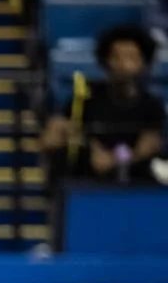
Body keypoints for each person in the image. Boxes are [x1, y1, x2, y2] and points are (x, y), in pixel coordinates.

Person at [43, 24, 165, 183]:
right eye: (117, 58)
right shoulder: (86, 98)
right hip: (87, 181)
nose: (124, 65)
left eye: (131, 58)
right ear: (105, 60)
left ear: (143, 62)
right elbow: (54, 134)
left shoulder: (151, 105)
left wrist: (114, 160)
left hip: (135, 182)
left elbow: (148, 146)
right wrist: (89, 145)